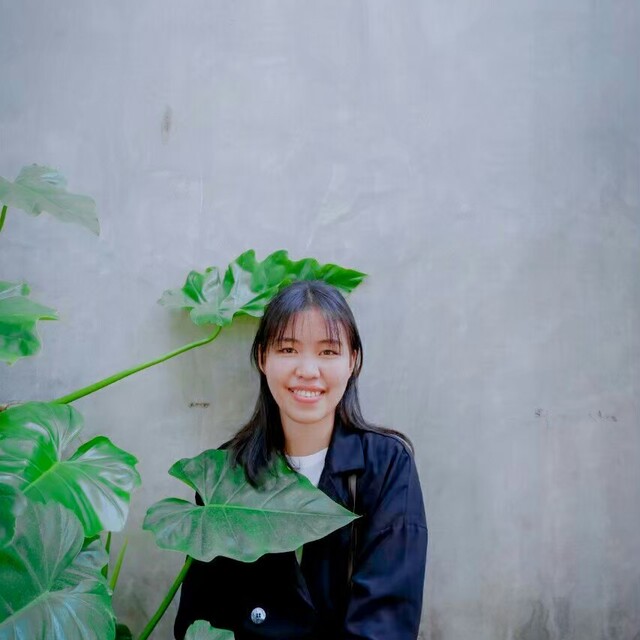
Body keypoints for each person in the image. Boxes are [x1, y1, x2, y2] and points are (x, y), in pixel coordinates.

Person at [174, 280, 428, 640]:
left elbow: (386, 623)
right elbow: (201, 621)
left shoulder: (386, 466)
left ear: (353, 361)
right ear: (262, 357)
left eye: (328, 352)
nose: (308, 370)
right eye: (288, 349)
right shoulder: (224, 473)